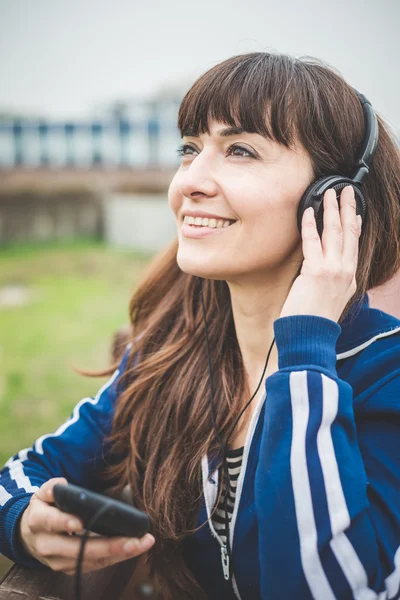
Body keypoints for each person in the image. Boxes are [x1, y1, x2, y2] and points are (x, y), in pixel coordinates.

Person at [1, 52, 400, 600]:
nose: (191, 180)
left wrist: (306, 347)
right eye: (189, 149)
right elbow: (25, 472)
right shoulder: (172, 353)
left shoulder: (385, 374)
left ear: (334, 199)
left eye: (240, 150)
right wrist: (23, 523)